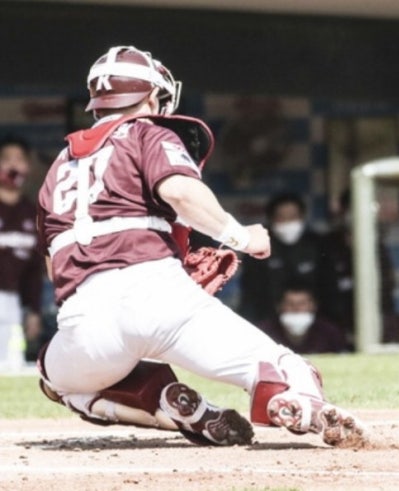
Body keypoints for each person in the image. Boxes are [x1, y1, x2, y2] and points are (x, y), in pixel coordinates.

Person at [35, 45, 366, 448]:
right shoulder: (146, 132)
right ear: (151, 95)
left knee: (57, 382)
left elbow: (56, 269)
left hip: (87, 323)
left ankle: (169, 405)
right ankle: (292, 399)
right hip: (159, 293)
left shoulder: (58, 165)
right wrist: (242, 237)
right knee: (280, 366)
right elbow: (182, 193)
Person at [240, 192, 337, 324]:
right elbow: (251, 293)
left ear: (303, 217)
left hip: (316, 324)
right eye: (281, 217)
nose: (287, 222)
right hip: (268, 323)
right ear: (271, 219)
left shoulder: (317, 245)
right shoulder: (258, 248)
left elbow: (330, 289)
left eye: (293, 217)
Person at [321, 189, 396, 348]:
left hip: (372, 320)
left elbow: (386, 287)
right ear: (342, 212)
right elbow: (323, 289)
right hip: (334, 323)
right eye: (350, 209)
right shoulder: (328, 244)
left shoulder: (377, 245)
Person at [0, 135, 45, 368]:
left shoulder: (32, 213)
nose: (13, 166)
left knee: (11, 367)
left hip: (12, 302)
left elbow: (34, 270)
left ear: (27, 166)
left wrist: (34, 311)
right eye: (6, 159)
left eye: (19, 159)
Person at [257, 279, 348, 354]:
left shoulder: (329, 332)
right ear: (279, 306)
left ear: (314, 305)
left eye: (302, 303)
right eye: (290, 303)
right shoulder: (264, 332)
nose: (296, 308)